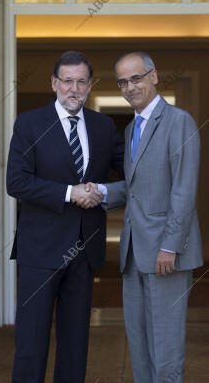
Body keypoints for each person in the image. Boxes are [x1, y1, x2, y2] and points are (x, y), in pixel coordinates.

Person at [79, 51, 203, 383]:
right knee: (139, 343)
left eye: (136, 78)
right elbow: (139, 188)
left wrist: (171, 246)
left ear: (153, 76)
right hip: (133, 253)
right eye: (122, 81)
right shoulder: (133, 126)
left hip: (165, 254)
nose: (129, 86)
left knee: (165, 347)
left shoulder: (179, 122)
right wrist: (102, 192)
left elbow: (183, 190)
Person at [6, 50, 124, 383]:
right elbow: (16, 181)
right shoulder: (30, 123)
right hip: (39, 252)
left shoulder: (103, 126)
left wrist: (100, 190)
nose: (74, 89)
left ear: (90, 85)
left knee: (75, 345)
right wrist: (72, 192)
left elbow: (131, 171)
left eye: (81, 81)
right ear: (54, 83)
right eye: (67, 81)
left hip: (84, 251)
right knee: (31, 343)